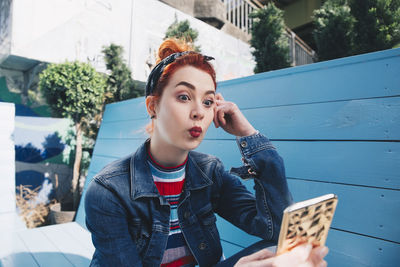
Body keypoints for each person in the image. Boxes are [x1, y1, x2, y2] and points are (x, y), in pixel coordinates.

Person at [84, 39, 329, 267]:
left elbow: (274, 228)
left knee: (286, 251)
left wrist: (248, 135)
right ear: (153, 106)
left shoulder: (210, 171)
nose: (199, 112)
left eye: (208, 101)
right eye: (183, 97)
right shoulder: (109, 191)